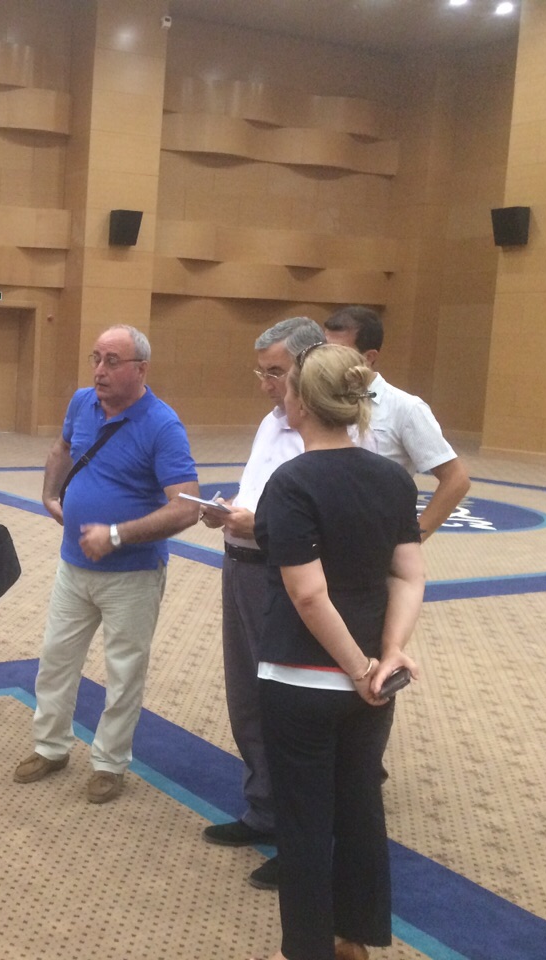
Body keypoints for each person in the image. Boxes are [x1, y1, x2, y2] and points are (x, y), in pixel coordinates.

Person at [248, 342, 425, 960]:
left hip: (303, 677)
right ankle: (356, 937)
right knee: (360, 808)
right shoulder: (393, 478)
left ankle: (307, 948)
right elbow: (409, 575)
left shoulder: (292, 481)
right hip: (374, 685)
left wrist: (356, 667)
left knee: (303, 822)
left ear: (300, 401)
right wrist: (389, 655)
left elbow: (307, 594)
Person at [14, 324, 199, 804]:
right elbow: (63, 448)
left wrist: (117, 535)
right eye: (95, 358)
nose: (99, 370)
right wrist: (50, 493)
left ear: (141, 369)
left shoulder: (162, 425)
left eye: (112, 361)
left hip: (132, 575)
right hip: (73, 567)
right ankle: (51, 747)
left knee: (123, 673)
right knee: (56, 659)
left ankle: (109, 763)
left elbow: (187, 507)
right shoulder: (82, 403)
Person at [197, 317, 327, 891]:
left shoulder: (331, 432)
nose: (266, 383)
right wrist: (228, 511)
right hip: (243, 567)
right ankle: (265, 809)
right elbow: (259, 495)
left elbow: (323, 526)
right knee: (247, 695)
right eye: (262, 372)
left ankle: (302, 840)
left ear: (307, 365)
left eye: (275, 372)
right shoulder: (271, 423)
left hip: (287, 577)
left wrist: (261, 525)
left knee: (288, 704)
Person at [323, 306, 470, 541]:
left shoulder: (406, 408)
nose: (326, 361)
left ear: (369, 357)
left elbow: (456, 479)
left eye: (338, 353)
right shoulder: (320, 400)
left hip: (376, 541)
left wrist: (412, 539)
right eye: (324, 350)